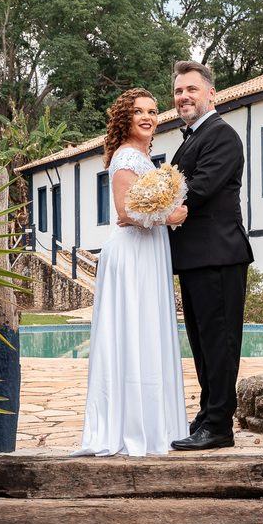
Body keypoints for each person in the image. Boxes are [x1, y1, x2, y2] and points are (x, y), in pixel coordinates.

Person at [74, 88, 189, 457]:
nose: (147, 117)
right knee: (134, 333)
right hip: (132, 253)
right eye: (139, 112)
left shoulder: (144, 155)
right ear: (125, 118)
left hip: (149, 250)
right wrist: (170, 215)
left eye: (153, 112)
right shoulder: (126, 155)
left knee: (147, 332)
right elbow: (125, 213)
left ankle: (152, 421)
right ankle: (132, 427)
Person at [167, 61, 253, 452]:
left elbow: (198, 189)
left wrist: (147, 206)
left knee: (220, 343)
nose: (184, 97)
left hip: (219, 255)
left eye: (191, 89)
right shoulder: (190, 139)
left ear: (211, 94)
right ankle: (208, 414)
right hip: (195, 257)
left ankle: (220, 425)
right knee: (202, 344)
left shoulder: (221, 136)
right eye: (178, 92)